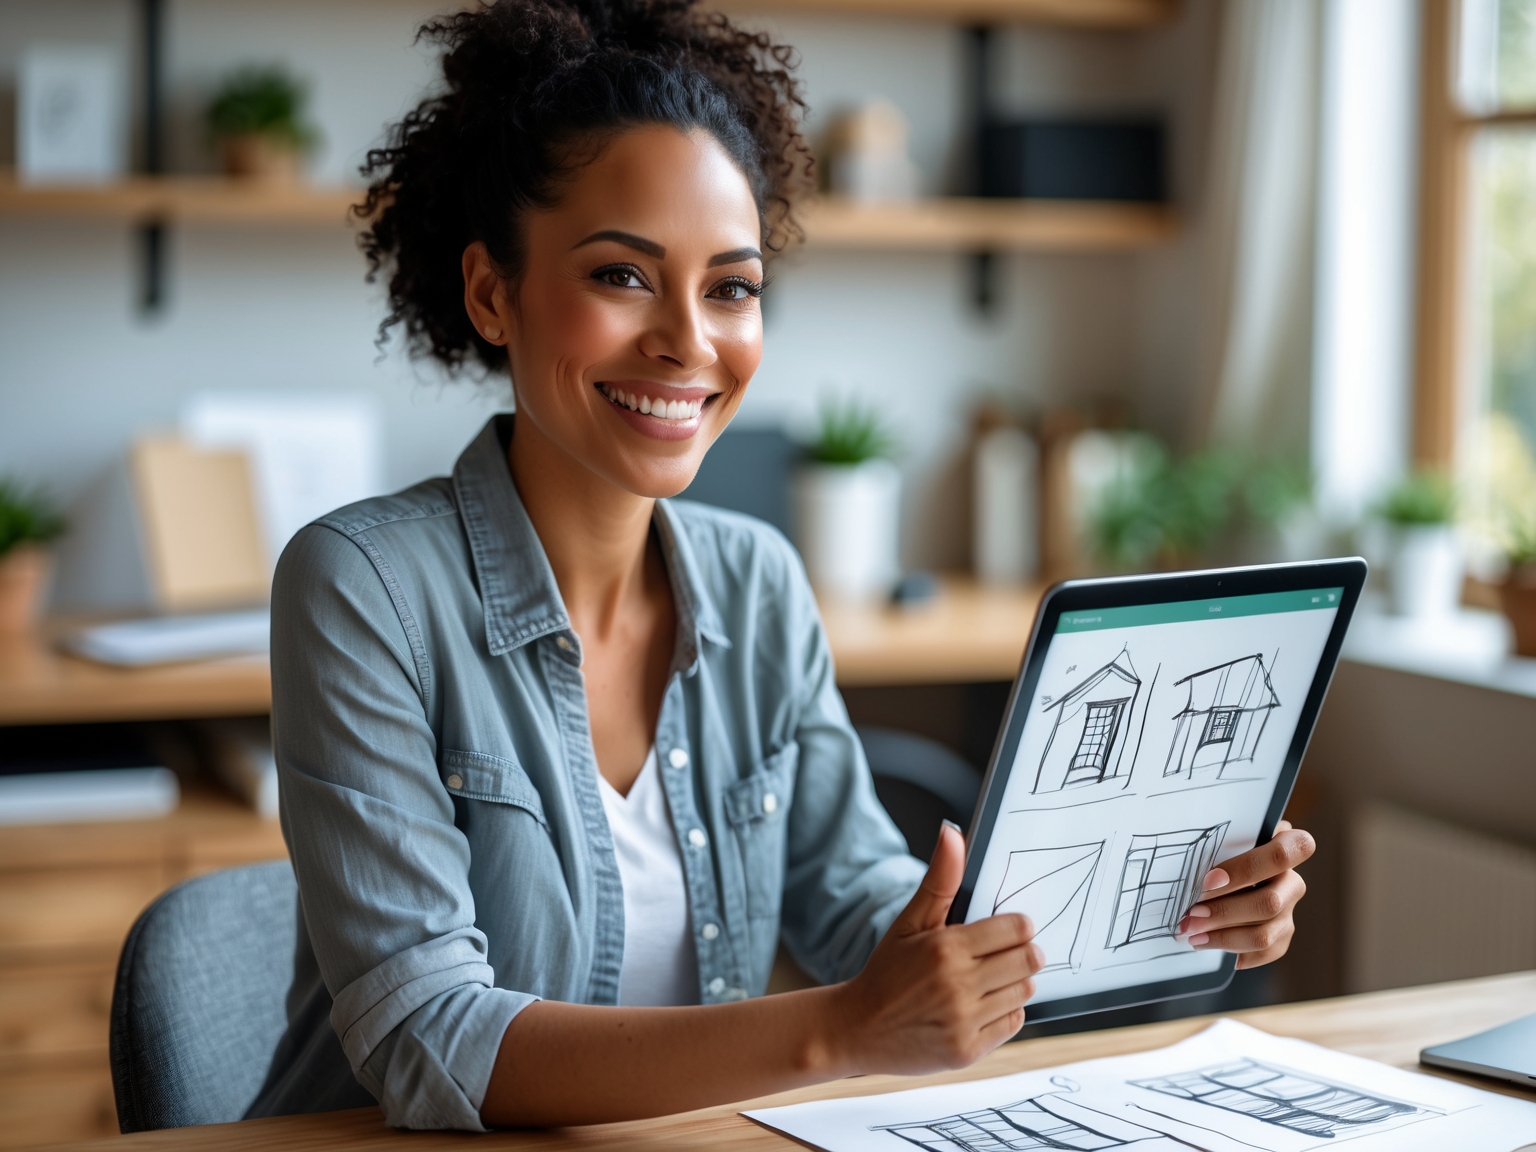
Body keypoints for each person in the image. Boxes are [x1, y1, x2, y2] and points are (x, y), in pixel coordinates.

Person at [252, 0, 1315, 1130]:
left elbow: (857, 901)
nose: (689, 342)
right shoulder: (361, 589)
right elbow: (431, 1040)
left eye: (733, 286)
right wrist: (842, 1029)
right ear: (490, 293)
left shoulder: (757, 582)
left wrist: (1158, 902)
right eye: (623, 276)